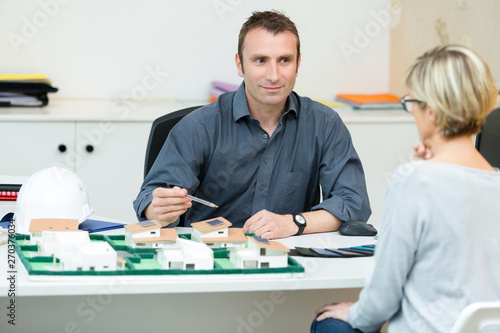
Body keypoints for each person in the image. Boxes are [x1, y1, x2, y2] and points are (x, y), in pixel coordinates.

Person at [133, 10, 371, 239]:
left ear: (298, 64)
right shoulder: (198, 127)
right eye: (260, 60)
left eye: (284, 60)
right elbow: (149, 204)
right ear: (240, 65)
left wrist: (293, 222)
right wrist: (160, 209)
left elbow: (353, 203)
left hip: (289, 260)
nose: (274, 75)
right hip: (211, 260)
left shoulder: (324, 124)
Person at [311, 44, 500, 332]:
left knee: (330, 326)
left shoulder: (413, 180)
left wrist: (357, 313)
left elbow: (384, 293)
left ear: (432, 112)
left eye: (412, 104)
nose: (413, 113)